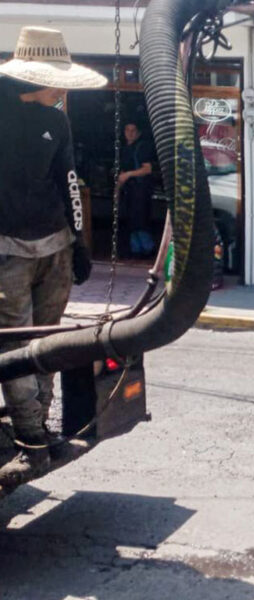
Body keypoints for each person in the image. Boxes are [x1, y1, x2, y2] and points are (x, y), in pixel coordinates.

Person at [0, 26, 106, 486]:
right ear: (34, 79)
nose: (61, 87)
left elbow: (69, 183)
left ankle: (38, 429)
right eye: (55, 80)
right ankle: (30, 437)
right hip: (7, 250)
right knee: (15, 346)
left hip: (56, 245)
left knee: (45, 343)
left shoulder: (57, 121)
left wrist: (79, 241)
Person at [119, 119, 157, 258]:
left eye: (133, 130)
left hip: (141, 189)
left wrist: (128, 175)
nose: (130, 133)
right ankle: (135, 250)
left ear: (138, 132)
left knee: (140, 220)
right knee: (130, 220)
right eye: (127, 130)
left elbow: (147, 169)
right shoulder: (125, 148)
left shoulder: (142, 147)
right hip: (129, 190)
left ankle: (148, 249)